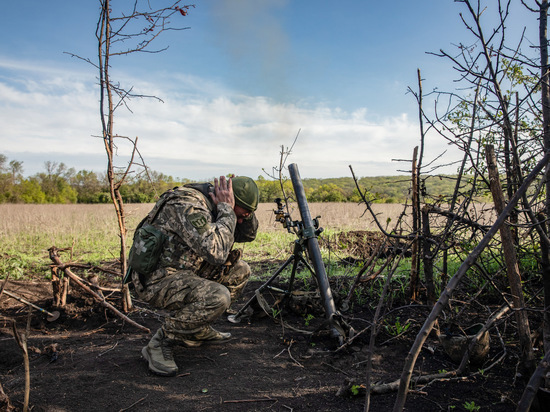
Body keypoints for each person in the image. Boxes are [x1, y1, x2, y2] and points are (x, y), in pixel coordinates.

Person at [129, 175, 259, 376]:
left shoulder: (217, 205)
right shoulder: (188, 204)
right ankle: (161, 342)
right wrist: (226, 210)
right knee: (217, 296)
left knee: (240, 271)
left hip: (185, 270)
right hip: (157, 279)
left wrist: (243, 215)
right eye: (239, 215)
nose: (239, 220)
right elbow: (216, 252)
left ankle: (196, 328)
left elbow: (247, 235)